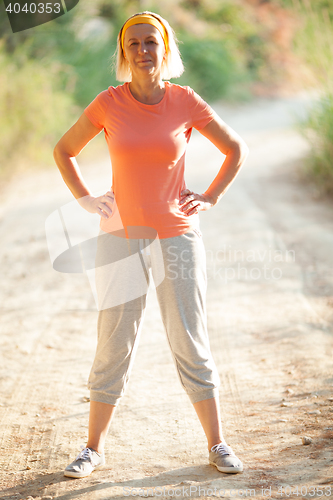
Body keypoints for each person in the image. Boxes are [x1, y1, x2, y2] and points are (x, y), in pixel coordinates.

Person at [53, 11, 249, 479]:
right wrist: (85, 198)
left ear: (165, 49)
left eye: (151, 42)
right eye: (134, 43)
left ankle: (217, 445)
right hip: (120, 240)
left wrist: (211, 194)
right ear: (124, 52)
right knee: (113, 344)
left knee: (190, 340)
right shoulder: (108, 102)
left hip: (177, 236)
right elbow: (65, 149)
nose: (143, 51)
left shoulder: (185, 101)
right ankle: (92, 449)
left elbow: (234, 148)